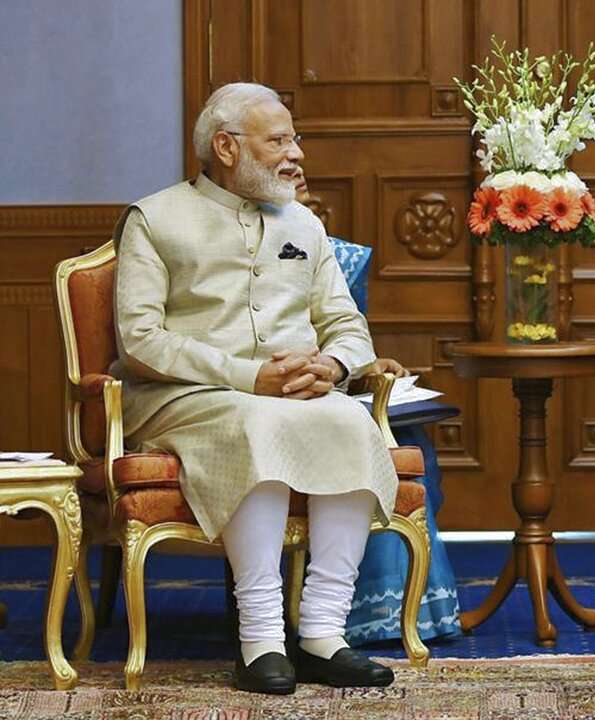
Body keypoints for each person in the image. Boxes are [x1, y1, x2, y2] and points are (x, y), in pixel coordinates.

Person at [111, 82, 406, 695]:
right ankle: (262, 640)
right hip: (184, 397)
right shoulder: (154, 218)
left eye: (294, 138)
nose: (296, 152)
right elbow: (140, 339)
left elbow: (347, 326)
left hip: (293, 394)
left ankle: (324, 635)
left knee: (349, 422)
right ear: (226, 146)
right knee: (257, 423)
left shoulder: (305, 224)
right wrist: (250, 377)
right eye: (279, 140)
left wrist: (333, 367)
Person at [293, 167, 463, 646]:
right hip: (279, 392)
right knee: (372, 437)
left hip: (336, 384)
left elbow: (347, 334)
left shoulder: (336, 256)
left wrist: (370, 364)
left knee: (406, 440)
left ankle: (400, 609)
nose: (298, 166)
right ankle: (348, 611)